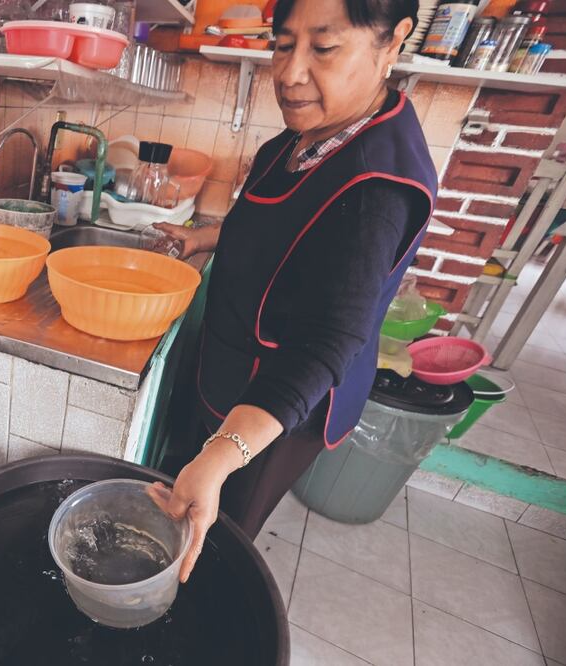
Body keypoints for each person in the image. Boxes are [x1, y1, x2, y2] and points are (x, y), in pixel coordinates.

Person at [148, 0, 436, 583]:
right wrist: (204, 237)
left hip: (280, 408)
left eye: (324, 48)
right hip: (230, 366)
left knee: (211, 545)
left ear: (393, 42)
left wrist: (221, 454)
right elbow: (275, 223)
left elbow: (327, 343)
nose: (290, 72)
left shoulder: (377, 186)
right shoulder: (301, 141)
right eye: (283, 45)